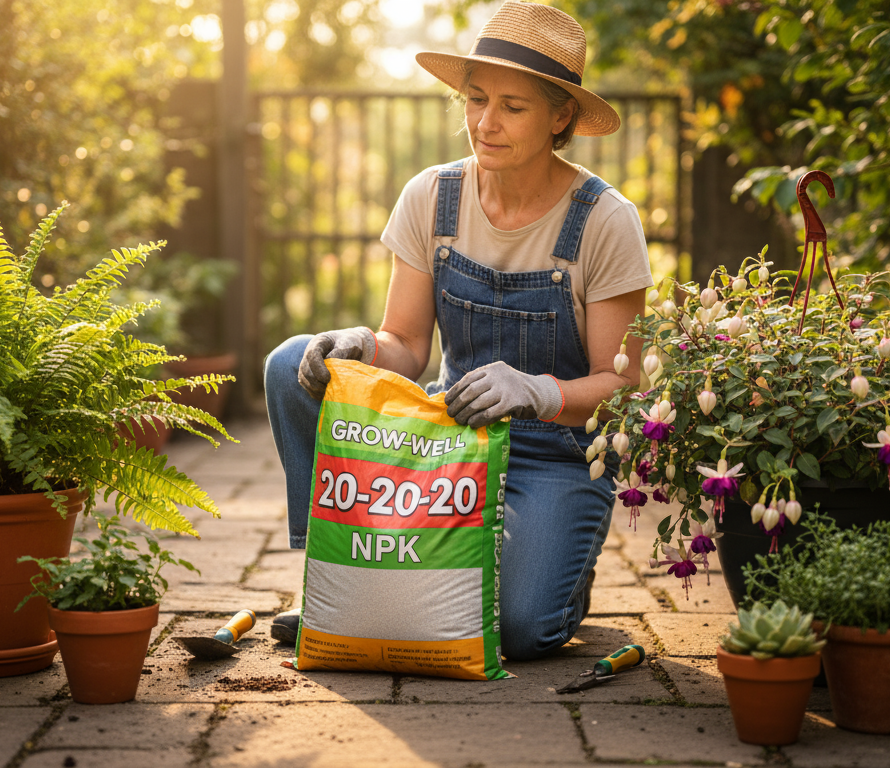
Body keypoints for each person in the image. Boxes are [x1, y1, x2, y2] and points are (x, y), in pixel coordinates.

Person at [263, 1, 652, 660]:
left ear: (562, 116)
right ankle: (333, 578)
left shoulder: (605, 221)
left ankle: (560, 574)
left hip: (553, 456)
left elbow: (624, 386)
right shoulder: (431, 198)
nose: (484, 122)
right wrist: (359, 344)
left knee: (523, 630)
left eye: (512, 106)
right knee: (292, 366)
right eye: (474, 99)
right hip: (446, 442)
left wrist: (536, 390)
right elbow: (407, 347)